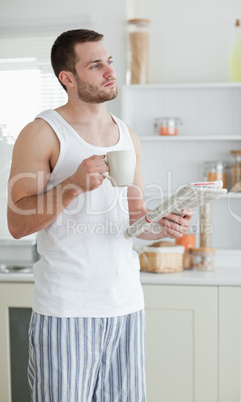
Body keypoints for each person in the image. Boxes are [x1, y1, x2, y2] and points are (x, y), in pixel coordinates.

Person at [7, 29, 192, 402]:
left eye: (109, 61)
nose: (109, 71)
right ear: (68, 79)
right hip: (66, 311)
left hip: (126, 305)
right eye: (95, 65)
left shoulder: (128, 135)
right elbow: (17, 221)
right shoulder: (42, 133)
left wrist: (162, 225)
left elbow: (134, 217)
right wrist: (73, 184)